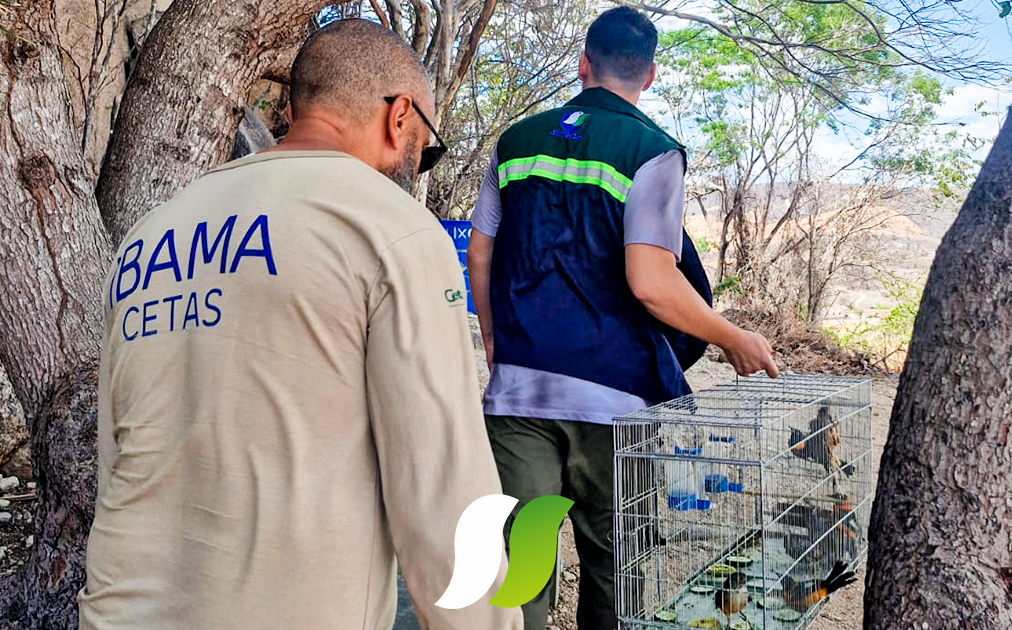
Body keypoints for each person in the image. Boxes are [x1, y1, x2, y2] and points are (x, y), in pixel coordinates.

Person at [79, 19, 521, 630]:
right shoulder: (390, 229)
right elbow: (444, 496)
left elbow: (116, 452)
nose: (418, 167)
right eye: (426, 146)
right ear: (400, 117)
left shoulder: (151, 235)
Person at [467, 7, 779, 630]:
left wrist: (500, 343)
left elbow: (481, 250)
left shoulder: (515, 142)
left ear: (583, 63)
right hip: (615, 407)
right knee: (617, 567)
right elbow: (652, 282)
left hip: (520, 395)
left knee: (522, 566)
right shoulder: (653, 151)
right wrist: (733, 338)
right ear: (651, 75)